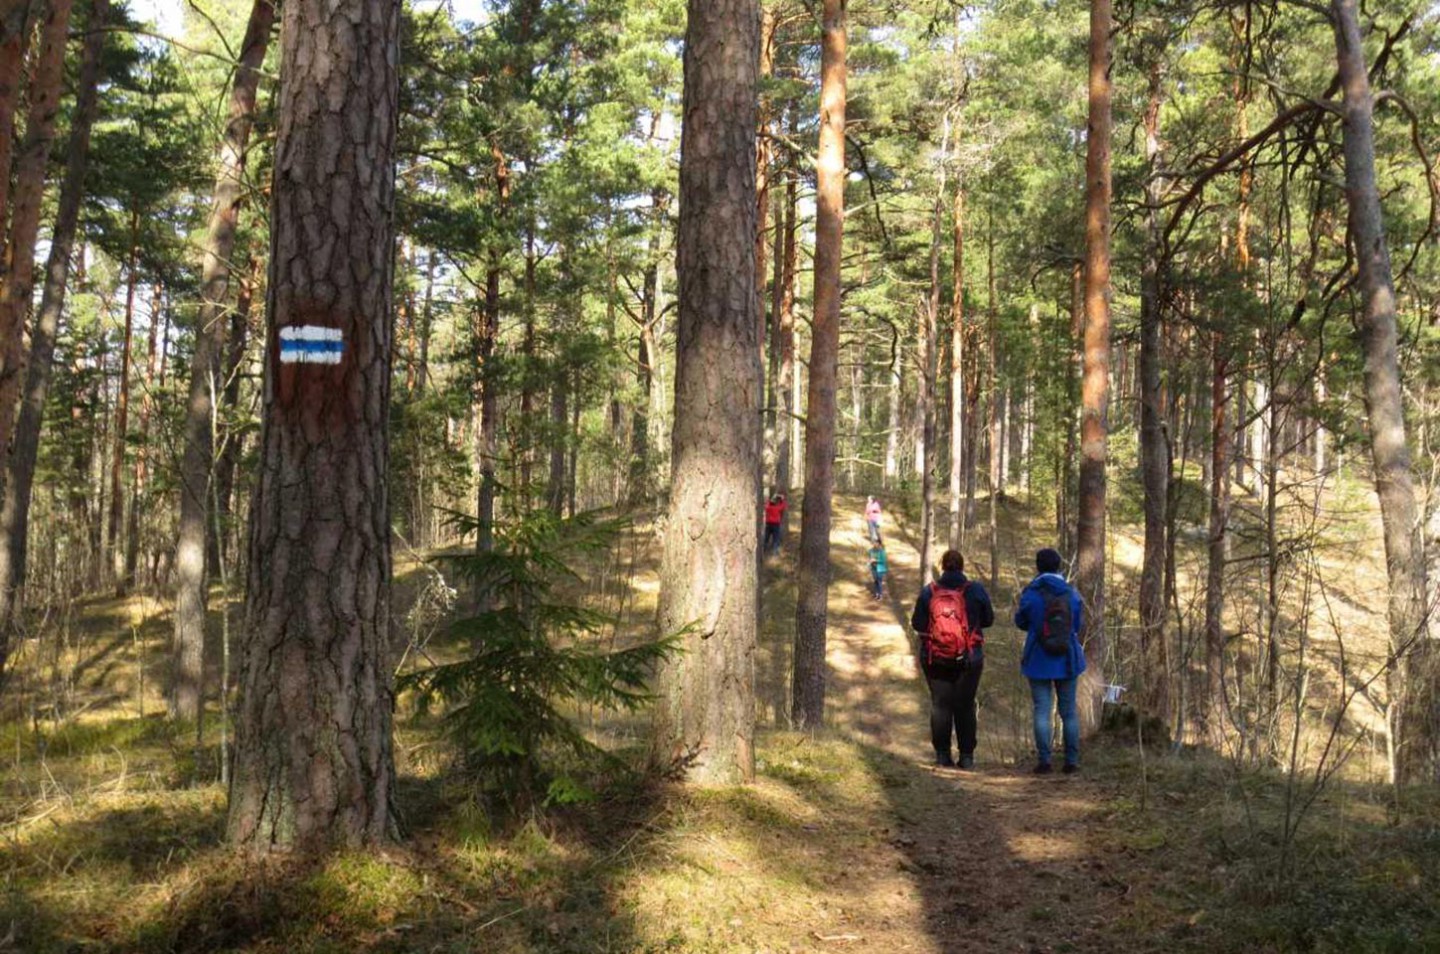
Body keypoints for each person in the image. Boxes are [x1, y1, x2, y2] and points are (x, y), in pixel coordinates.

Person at [911, 549, 994, 769]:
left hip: (935, 657)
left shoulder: (929, 592)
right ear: (962, 566)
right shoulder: (975, 589)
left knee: (940, 705)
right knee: (965, 705)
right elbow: (989, 619)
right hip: (970, 657)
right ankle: (966, 757)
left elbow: (917, 624)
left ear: (943, 566)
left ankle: (942, 755)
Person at [1015, 548, 1087, 774]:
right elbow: (1076, 626)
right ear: (1059, 566)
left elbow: (1020, 621)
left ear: (1038, 567)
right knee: (1068, 712)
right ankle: (1071, 761)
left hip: (1038, 658)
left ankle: (1044, 761)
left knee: (1041, 710)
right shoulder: (1072, 593)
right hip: (1067, 658)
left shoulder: (1031, 593)